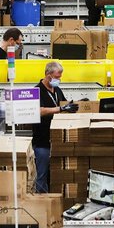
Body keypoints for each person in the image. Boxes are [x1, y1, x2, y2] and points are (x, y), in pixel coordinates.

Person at [32, 62, 78, 192]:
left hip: (57, 141)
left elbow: (62, 104)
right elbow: (39, 110)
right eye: (57, 76)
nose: (59, 79)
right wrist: (61, 108)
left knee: (55, 174)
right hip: (42, 142)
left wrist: (73, 105)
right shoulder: (37, 90)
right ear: (48, 75)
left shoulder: (57, 90)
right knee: (42, 175)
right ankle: (41, 204)